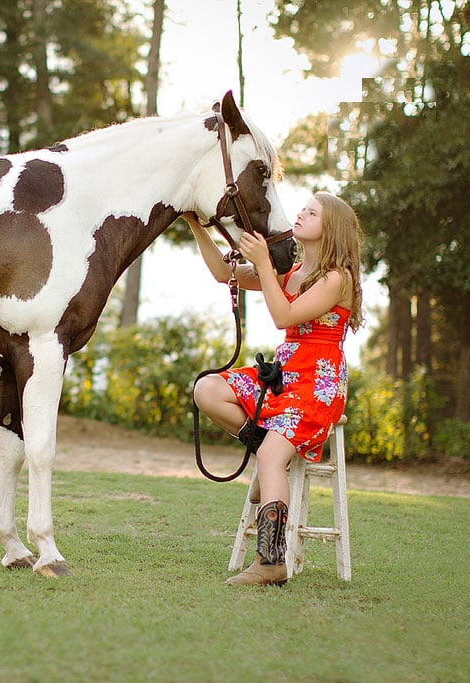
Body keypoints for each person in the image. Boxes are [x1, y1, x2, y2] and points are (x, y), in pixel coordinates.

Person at [183, 192, 364, 586]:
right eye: (304, 207)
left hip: (318, 381)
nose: (300, 213)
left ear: (330, 229)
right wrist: (195, 224)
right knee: (207, 390)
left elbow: (284, 315)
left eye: (311, 212)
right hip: (284, 373)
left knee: (269, 456)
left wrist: (264, 263)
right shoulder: (293, 271)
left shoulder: (338, 278)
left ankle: (271, 562)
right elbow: (221, 272)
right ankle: (266, 453)